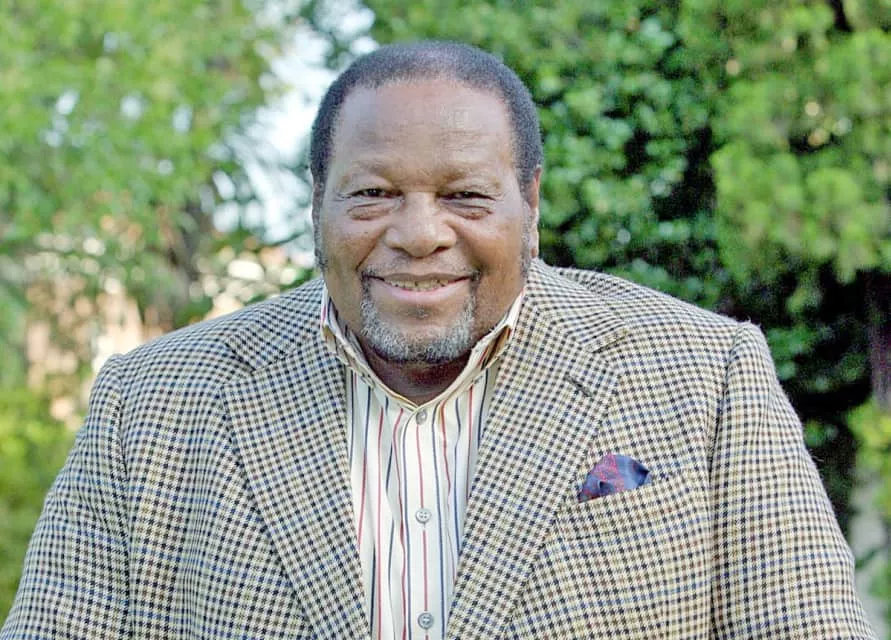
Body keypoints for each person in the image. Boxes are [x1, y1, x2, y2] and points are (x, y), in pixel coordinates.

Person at [1, 41, 876, 639]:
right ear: (316, 205)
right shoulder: (151, 404)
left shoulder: (705, 376)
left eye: (464, 196)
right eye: (373, 194)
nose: (419, 234)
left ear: (530, 203)